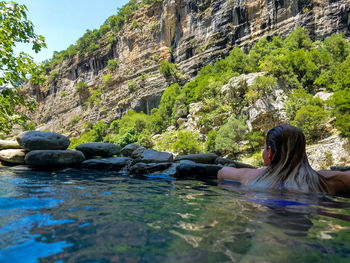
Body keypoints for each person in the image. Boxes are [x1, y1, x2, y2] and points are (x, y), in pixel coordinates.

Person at [217, 124, 350, 194]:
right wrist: (323, 173)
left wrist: (262, 170)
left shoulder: (251, 176)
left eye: (264, 149)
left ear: (269, 152)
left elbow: (222, 172)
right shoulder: (325, 181)